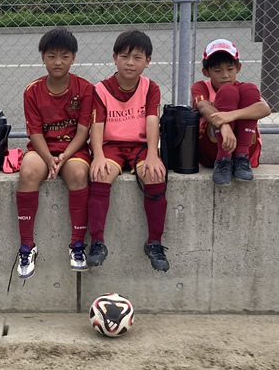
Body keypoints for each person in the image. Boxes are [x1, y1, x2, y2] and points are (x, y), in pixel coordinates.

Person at [86, 29, 170, 272]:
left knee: (155, 175)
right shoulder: (101, 89)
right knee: (100, 174)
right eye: (124, 56)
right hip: (111, 146)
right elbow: (96, 125)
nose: (130, 63)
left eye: (137, 57)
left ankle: (154, 242)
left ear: (148, 61)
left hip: (140, 147)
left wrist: (153, 154)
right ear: (115, 58)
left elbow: (152, 121)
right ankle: (98, 242)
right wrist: (98, 156)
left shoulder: (150, 87)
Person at [15, 27, 94, 277]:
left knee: (79, 174)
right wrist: (49, 159)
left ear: (73, 58)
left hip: (72, 149)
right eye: (51, 56)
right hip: (43, 150)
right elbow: (35, 133)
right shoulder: (32, 91)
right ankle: (27, 245)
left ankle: (77, 245)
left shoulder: (85, 88)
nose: (58, 62)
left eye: (64, 56)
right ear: (43, 58)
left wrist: (64, 157)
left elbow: (83, 131)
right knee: (28, 172)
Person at [191, 38, 271, 184]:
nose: (225, 75)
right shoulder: (201, 86)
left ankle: (242, 157)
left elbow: (265, 109)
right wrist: (224, 125)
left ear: (238, 68)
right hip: (212, 149)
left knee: (250, 88)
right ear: (206, 71)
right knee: (228, 91)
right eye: (217, 70)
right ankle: (223, 159)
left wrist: (229, 116)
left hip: (246, 148)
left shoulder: (244, 89)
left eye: (230, 69)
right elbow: (203, 106)